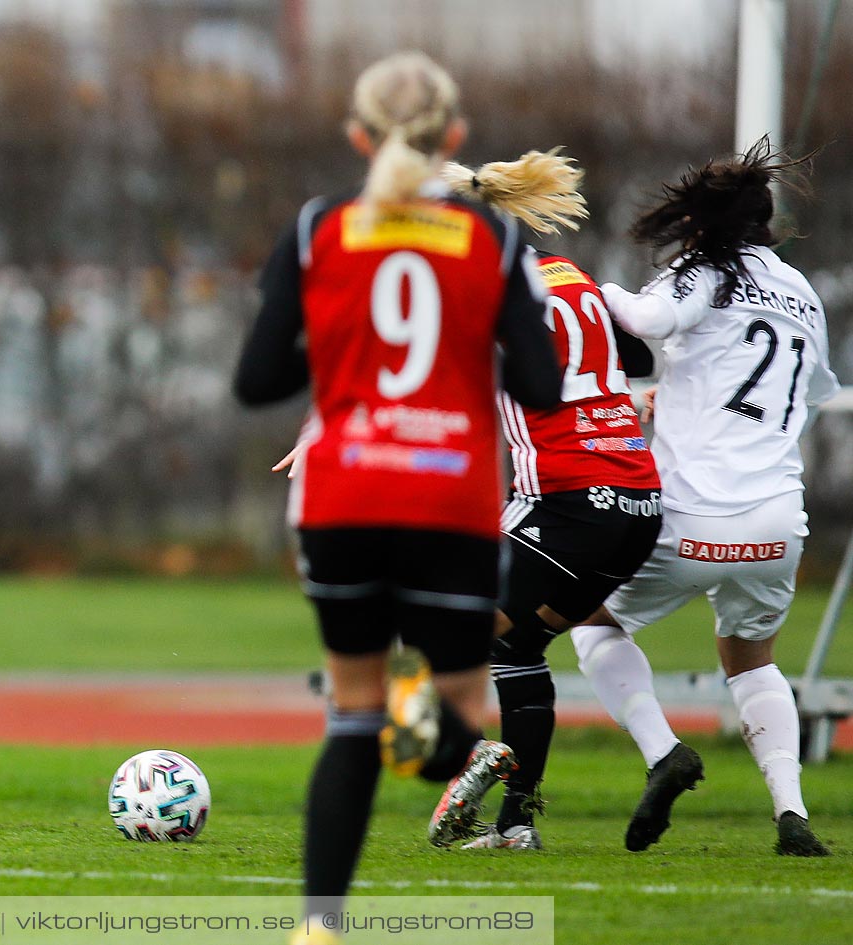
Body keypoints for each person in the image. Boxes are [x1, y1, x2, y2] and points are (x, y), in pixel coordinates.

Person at [232, 51, 560, 938]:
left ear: (356, 135)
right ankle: (447, 739)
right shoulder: (493, 240)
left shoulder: (317, 229)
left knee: (352, 712)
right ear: (454, 139)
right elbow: (540, 387)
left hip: (341, 497)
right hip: (447, 502)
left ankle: (318, 926)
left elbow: (257, 382)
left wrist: (341, 361)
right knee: (449, 710)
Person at [566, 140, 836, 856]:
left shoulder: (703, 271)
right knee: (751, 658)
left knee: (589, 619)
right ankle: (791, 813)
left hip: (690, 518)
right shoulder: (802, 293)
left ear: (698, 225)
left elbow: (647, 322)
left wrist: (581, 285)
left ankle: (665, 752)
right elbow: (807, 396)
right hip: (778, 523)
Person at [426, 150, 663, 850]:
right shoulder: (569, 274)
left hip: (569, 502)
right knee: (515, 643)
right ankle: (516, 822)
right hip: (637, 505)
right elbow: (638, 360)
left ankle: (469, 754)